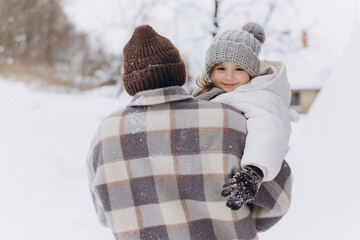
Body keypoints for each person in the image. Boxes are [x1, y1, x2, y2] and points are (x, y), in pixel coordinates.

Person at [87, 24, 293, 240]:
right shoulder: (231, 121)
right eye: (221, 68)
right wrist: (236, 220)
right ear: (179, 72)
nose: (229, 76)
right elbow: (279, 199)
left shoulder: (106, 134)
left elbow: (104, 213)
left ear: (130, 83)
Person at [193, 22, 299, 210]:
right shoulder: (210, 94)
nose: (229, 77)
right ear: (210, 71)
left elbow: (267, 130)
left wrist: (255, 171)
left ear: (251, 72)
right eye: (221, 69)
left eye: (239, 69)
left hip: (247, 178)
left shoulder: (257, 96)